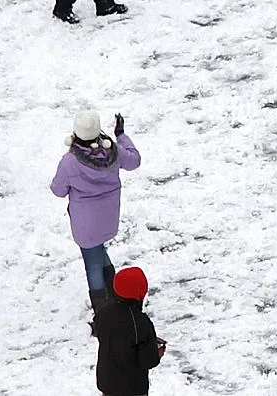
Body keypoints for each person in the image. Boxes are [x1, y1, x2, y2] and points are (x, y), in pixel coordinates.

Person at [50, 111, 141, 314]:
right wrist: (121, 135)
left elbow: (58, 190)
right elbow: (134, 161)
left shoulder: (70, 161)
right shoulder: (113, 151)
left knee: (92, 264)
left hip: (85, 225)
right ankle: (116, 294)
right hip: (108, 218)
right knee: (99, 251)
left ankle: (103, 314)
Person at [94, 266, 165, 396]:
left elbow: (99, 330)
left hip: (107, 381)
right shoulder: (140, 322)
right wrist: (157, 352)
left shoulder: (105, 311)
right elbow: (147, 360)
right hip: (132, 387)